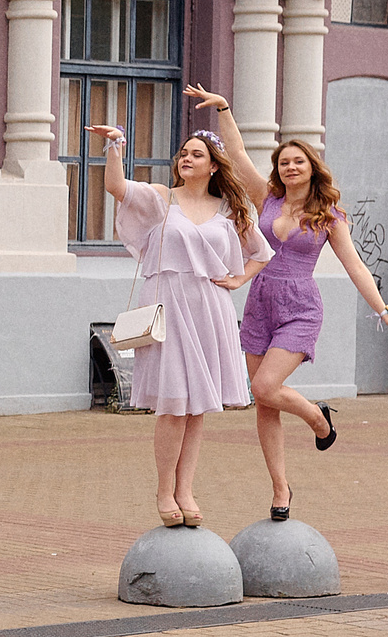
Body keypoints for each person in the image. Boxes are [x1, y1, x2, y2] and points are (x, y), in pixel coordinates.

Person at [183, 89, 388, 519]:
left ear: (312, 168)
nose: (290, 168)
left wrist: (385, 311)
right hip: (260, 303)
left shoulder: (329, 216)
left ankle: (316, 418)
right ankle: (280, 488)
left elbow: (356, 266)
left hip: (300, 307)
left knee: (264, 387)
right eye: (284, 162)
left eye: (298, 162)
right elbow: (236, 154)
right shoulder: (266, 198)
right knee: (265, 403)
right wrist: (223, 109)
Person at [97, 122, 272, 529]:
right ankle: (165, 490)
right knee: (174, 404)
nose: (186, 159)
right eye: (184, 154)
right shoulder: (163, 199)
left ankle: (186, 489)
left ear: (214, 166)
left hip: (209, 308)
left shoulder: (229, 209)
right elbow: (117, 187)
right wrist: (115, 145)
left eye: (197, 154)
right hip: (168, 307)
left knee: (196, 408)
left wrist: (238, 279)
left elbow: (261, 253)